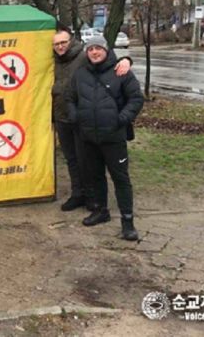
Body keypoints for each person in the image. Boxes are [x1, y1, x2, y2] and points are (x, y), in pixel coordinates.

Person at [67, 35, 144, 241]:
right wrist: (76, 117)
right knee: (95, 176)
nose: (94, 52)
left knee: (121, 179)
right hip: (88, 136)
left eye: (98, 48)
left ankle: (128, 222)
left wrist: (121, 119)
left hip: (113, 136)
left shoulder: (121, 72)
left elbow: (136, 98)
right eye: (91, 49)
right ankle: (101, 211)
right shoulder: (80, 74)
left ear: (106, 50)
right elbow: (70, 98)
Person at [52, 26, 131, 212]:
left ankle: (91, 196)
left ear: (71, 41)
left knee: (85, 160)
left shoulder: (82, 56)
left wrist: (126, 60)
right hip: (62, 116)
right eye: (56, 44)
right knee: (71, 158)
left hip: (84, 118)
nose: (60, 47)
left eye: (63, 42)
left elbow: (106, 61)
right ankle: (77, 193)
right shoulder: (54, 60)